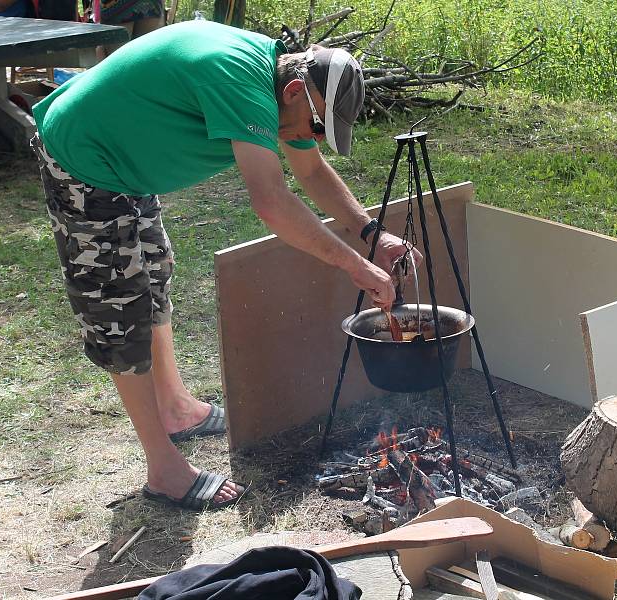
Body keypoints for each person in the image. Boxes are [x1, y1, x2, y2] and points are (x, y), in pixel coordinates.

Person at [31, 20, 417, 510]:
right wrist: (355, 268)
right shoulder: (242, 83)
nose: (312, 137)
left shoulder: (281, 86)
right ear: (298, 91)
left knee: (152, 269)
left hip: (124, 161)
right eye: (317, 125)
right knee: (119, 307)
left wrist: (372, 235)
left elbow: (312, 170)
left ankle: (174, 408)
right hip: (84, 158)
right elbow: (272, 202)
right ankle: (164, 468)